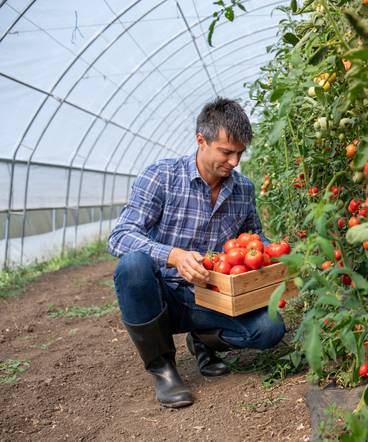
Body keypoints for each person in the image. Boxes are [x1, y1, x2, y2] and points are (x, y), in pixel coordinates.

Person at [108, 98, 286, 408]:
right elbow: (120, 236)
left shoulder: (243, 189)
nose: (234, 162)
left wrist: (275, 251)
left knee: (270, 329)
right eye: (226, 152)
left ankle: (204, 340)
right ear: (201, 141)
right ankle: (162, 368)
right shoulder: (161, 177)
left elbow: (253, 236)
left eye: (240, 154)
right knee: (132, 267)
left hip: (212, 295)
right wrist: (174, 255)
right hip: (163, 295)